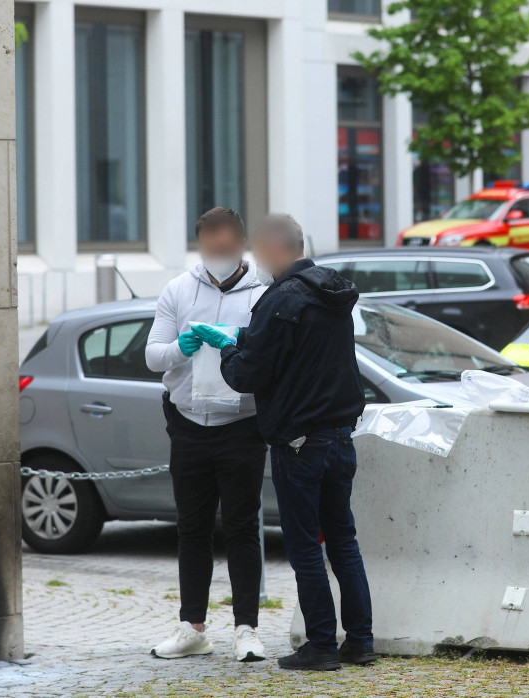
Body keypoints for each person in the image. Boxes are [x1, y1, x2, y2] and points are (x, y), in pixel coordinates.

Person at [191, 213, 375, 672]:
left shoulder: (281, 299)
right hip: (339, 435)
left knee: (305, 546)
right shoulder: (332, 291)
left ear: (273, 249)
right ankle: (360, 641)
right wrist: (249, 340)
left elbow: (248, 374)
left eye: (255, 250)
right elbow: (301, 355)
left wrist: (229, 348)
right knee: (343, 541)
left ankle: (320, 647)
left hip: (299, 441)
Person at [144, 207, 268, 663]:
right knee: (192, 530)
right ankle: (192, 626)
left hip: (242, 425)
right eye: (209, 246)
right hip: (189, 424)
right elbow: (152, 356)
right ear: (200, 245)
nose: (218, 253)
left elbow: (273, 358)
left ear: (240, 245)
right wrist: (182, 347)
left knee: (241, 529)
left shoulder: (265, 293)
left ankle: (246, 630)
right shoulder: (178, 289)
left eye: (226, 246)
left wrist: (235, 344)